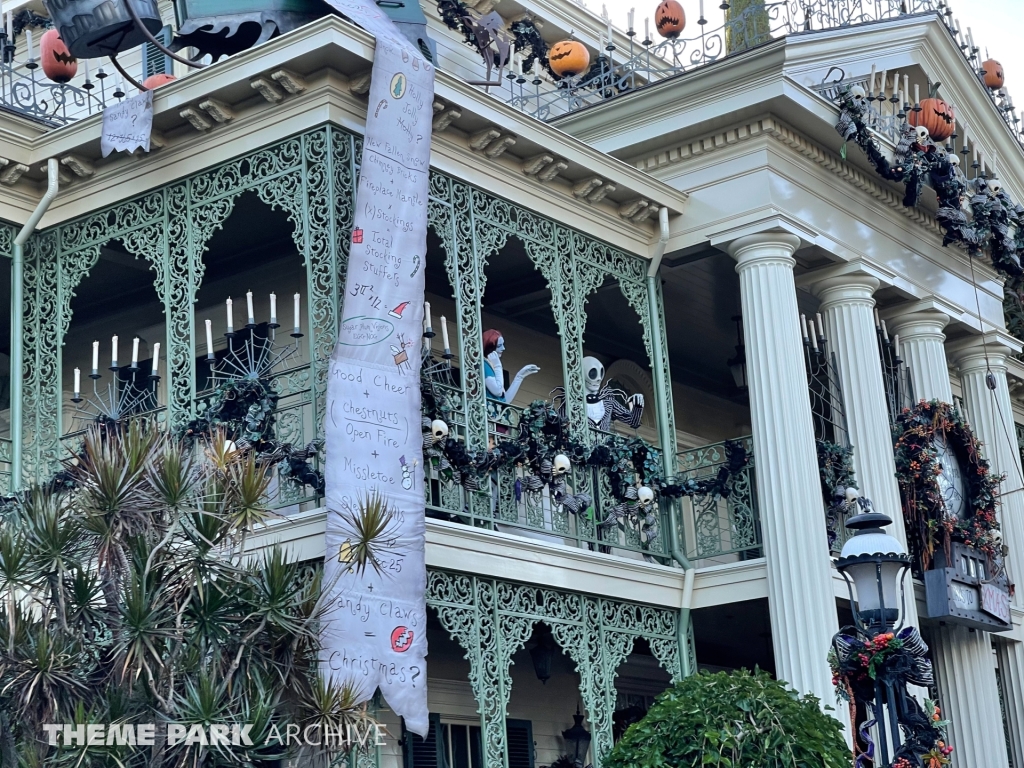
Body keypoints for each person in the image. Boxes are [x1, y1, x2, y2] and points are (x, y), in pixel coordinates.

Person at [482, 329, 539, 404]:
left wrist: (520, 376)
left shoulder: (491, 365)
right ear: (490, 347)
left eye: (503, 344)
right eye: (499, 346)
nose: (503, 348)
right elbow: (497, 391)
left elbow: (505, 401)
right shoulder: (484, 364)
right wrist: (498, 366)